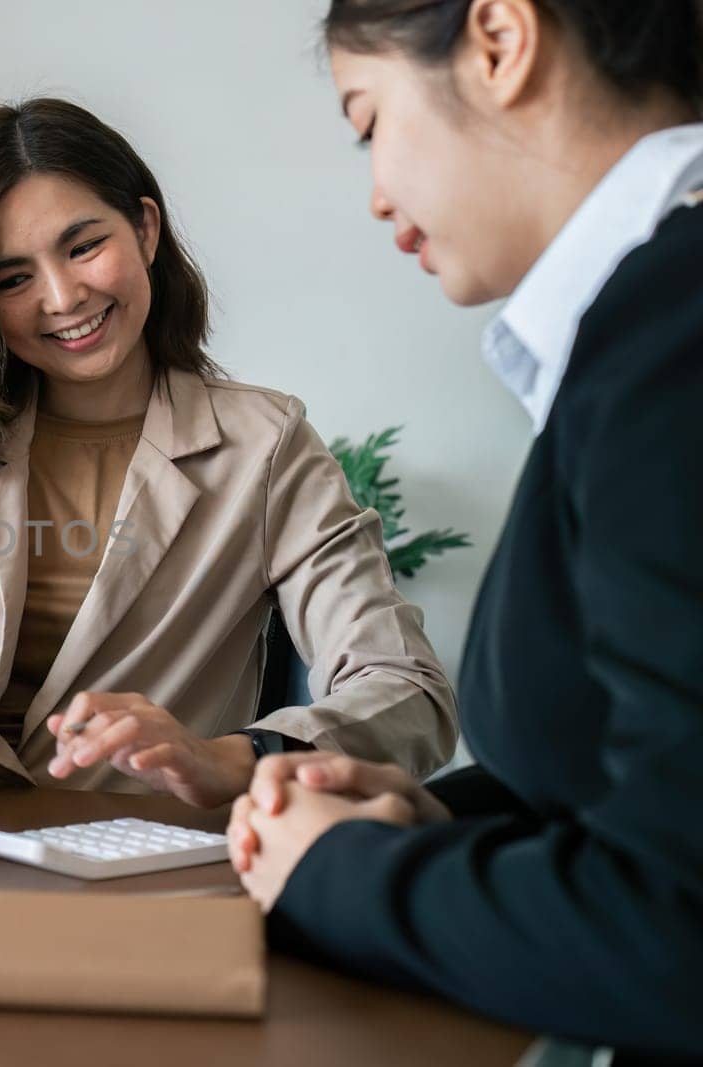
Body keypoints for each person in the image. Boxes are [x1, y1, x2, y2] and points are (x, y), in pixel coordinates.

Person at [225, 0, 703, 1058]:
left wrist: (337, 873)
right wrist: (432, 821)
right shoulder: (643, 324)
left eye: (367, 122)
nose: (374, 194)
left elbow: (673, 919)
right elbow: (633, 784)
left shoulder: (674, 339)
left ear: (498, 39)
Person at [0, 98, 458, 823]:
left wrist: (229, 756)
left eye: (84, 246)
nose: (62, 296)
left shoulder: (264, 447)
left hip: (149, 852)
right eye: (11, 279)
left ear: (145, 228)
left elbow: (410, 694)